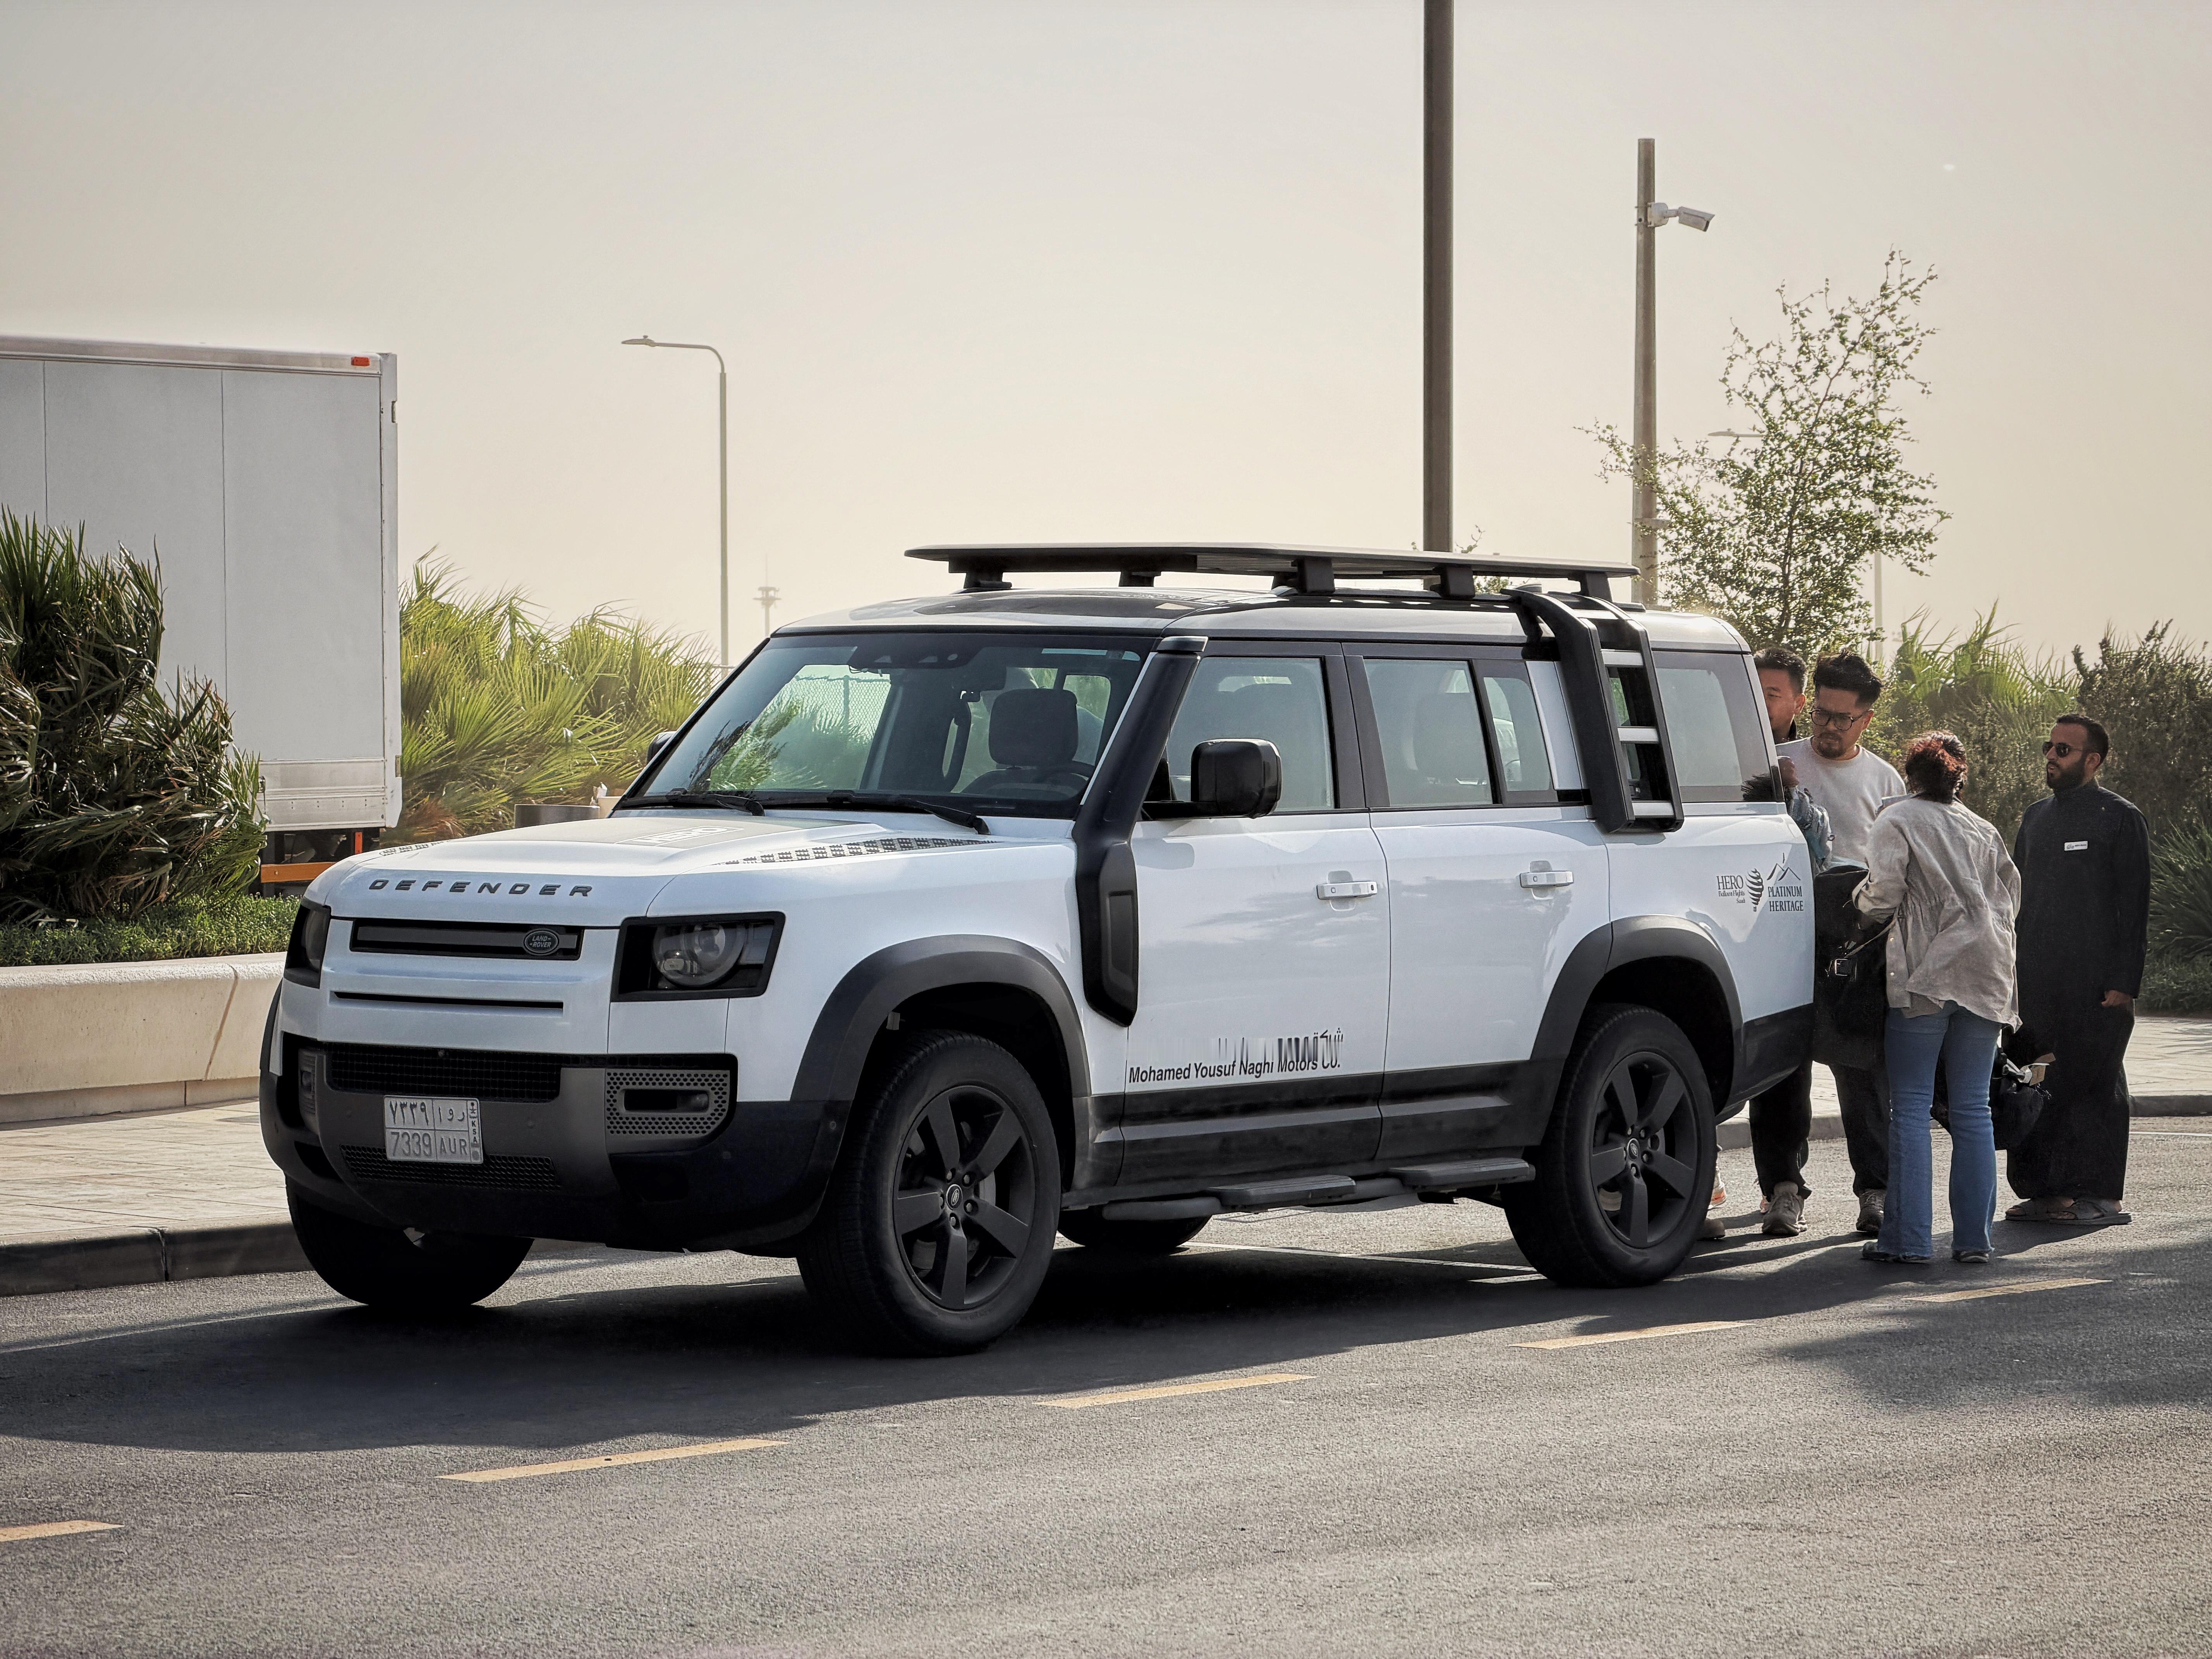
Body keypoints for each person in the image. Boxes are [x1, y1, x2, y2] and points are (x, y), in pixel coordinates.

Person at [1853, 732, 2021, 1264]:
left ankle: (1908, 1241)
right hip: (1988, 974)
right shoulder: (1983, 828)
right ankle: (1974, 1241)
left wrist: (1854, 901)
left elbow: (1883, 895)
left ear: (1911, 776)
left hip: (1926, 973)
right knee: (1973, 1109)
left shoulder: (1898, 818)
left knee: (1909, 1108)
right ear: (1958, 778)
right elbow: (2010, 898)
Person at [1764, 653, 1903, 1237]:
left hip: (1856, 943)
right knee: (1781, 1067)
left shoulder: (1886, 781)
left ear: (1866, 720)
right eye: (1821, 713)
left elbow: (1898, 870)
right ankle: (1782, 1190)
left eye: (1843, 719)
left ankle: (1876, 1190)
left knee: (1862, 1069)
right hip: (1781, 934)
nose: (1828, 727)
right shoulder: (1776, 762)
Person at [1707, 645, 1835, 1240]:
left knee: (1785, 1075)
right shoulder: (1705, 755)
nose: (1757, 703)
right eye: (1748, 689)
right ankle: (1694, 1190)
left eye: (1771, 693)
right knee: (1700, 1068)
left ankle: (1784, 1190)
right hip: (1714, 940)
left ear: (1796, 704)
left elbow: (1819, 861)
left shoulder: (1806, 772)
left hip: (1784, 946)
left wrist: (1789, 801)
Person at [2005, 713, 2150, 1228]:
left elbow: (2134, 905)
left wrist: (2124, 981)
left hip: (2097, 987)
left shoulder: (2120, 818)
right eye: (2049, 747)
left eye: (2063, 750)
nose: (2052, 756)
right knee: (2038, 1082)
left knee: (2096, 1086)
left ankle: (2101, 1196)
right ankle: (2045, 1192)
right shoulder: (2036, 818)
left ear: (2093, 761)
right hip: (2037, 982)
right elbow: (2015, 902)